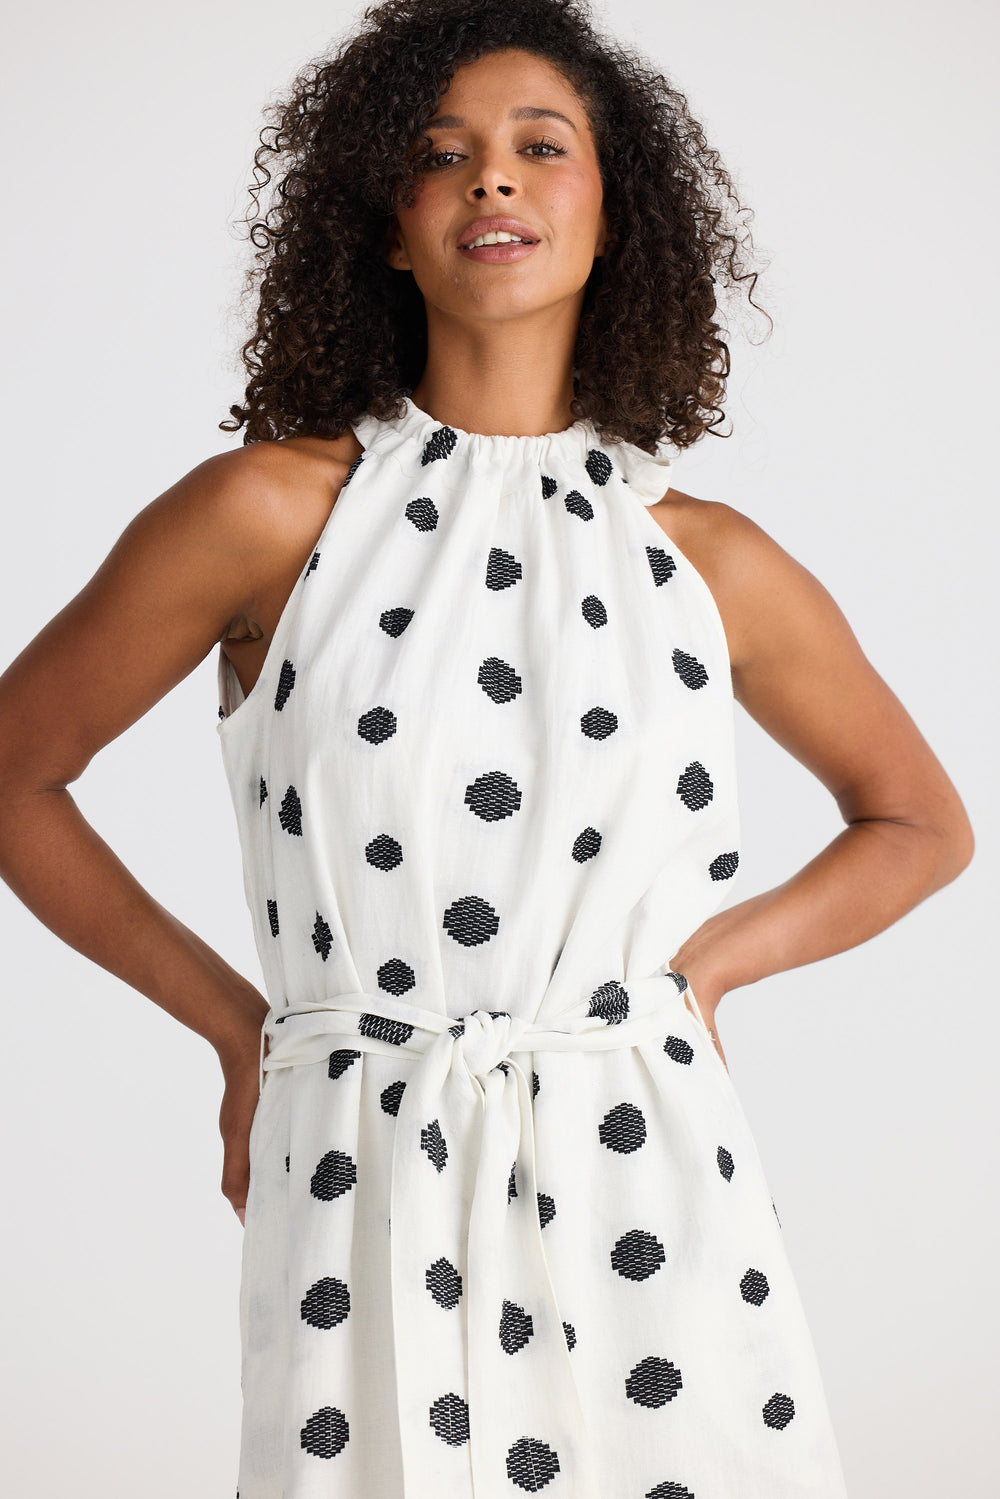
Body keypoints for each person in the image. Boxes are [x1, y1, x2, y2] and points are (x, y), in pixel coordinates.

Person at [0, 1, 974, 1496]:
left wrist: (709, 969)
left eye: (539, 148)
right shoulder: (271, 515)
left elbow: (919, 821)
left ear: (611, 212)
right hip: (357, 1161)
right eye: (443, 155)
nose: (494, 181)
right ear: (387, 227)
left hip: (642, 1157)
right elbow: (16, 771)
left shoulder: (708, 561)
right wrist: (233, 1025)